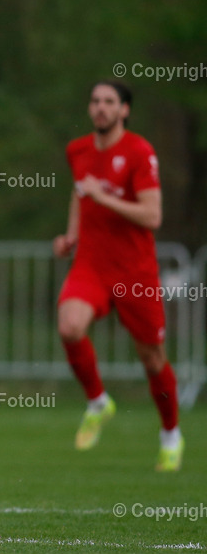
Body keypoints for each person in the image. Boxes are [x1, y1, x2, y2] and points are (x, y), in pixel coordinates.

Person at [53, 80, 183, 471]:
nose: (100, 108)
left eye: (110, 102)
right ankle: (98, 401)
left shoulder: (140, 152)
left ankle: (170, 433)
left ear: (124, 109)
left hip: (135, 271)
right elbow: (79, 193)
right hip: (91, 264)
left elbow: (153, 215)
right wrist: (71, 236)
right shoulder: (77, 150)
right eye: (95, 101)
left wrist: (104, 195)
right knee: (70, 326)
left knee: (152, 357)